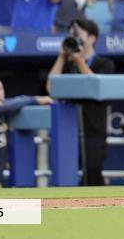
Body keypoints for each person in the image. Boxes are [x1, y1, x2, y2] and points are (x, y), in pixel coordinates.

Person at [47, 18, 115, 186]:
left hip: (93, 131)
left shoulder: (104, 63)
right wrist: (61, 57)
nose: (74, 40)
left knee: (92, 177)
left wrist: (80, 61)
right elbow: (51, 87)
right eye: (71, 36)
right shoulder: (67, 65)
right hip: (68, 131)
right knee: (66, 178)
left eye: (78, 35)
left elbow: (96, 86)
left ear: (92, 38)